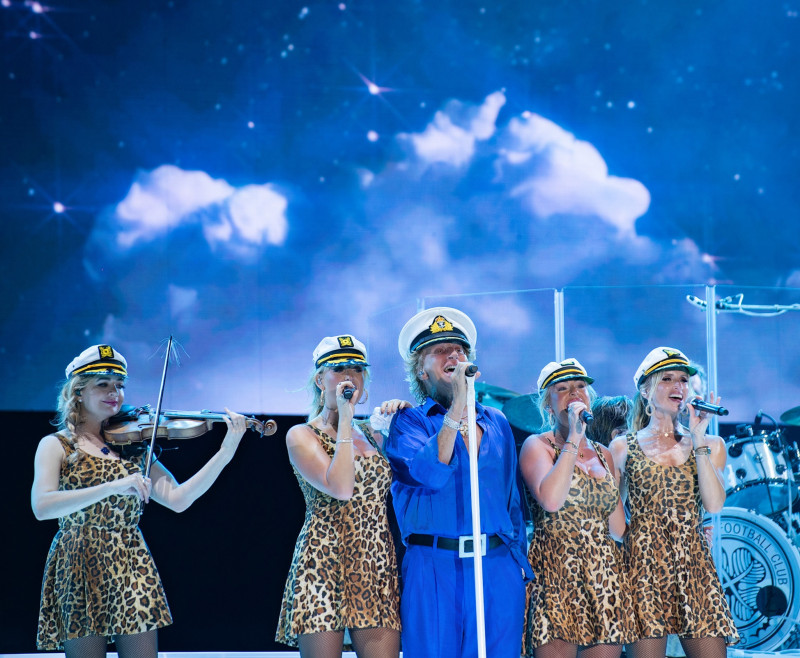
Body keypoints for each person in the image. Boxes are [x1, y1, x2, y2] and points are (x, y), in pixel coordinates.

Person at [32, 344, 248, 658]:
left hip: (131, 558)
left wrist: (226, 452)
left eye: (119, 385)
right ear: (77, 392)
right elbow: (42, 506)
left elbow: (178, 499)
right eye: (102, 384)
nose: (114, 392)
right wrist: (112, 486)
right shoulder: (57, 445)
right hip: (79, 557)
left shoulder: (133, 447)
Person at [385, 307, 533, 658]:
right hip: (434, 567)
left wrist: (519, 569)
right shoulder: (409, 423)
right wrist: (457, 409)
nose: (454, 354)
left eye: (460, 349)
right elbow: (426, 473)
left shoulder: (496, 421)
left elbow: (511, 502)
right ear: (421, 369)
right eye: (440, 350)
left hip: (497, 565)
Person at [276, 335, 404, 657]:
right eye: (339, 369)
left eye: (357, 369)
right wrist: (346, 420)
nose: (350, 377)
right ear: (320, 379)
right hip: (322, 562)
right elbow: (341, 487)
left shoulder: (374, 434)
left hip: (374, 563)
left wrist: (405, 417)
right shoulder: (302, 435)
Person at [609, 347, 739, 658]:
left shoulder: (710, 444)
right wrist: (640, 545)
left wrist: (697, 438)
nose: (678, 386)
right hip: (643, 571)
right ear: (645, 389)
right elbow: (614, 525)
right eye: (667, 378)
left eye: (682, 379)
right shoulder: (622, 447)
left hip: (694, 567)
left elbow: (714, 504)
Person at [520, 359, 634, 658]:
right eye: (563, 388)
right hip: (557, 574)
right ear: (548, 404)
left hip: (603, 577)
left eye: (581, 386)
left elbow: (618, 527)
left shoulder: (604, 454)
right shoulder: (537, 446)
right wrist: (573, 437)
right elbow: (551, 500)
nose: (574, 393)